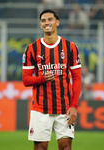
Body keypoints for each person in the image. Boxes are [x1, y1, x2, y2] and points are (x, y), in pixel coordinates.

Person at [22, 9, 81, 150]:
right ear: (40, 25)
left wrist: (74, 105)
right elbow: (25, 80)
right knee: (40, 148)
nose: (46, 23)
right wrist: (42, 78)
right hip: (40, 108)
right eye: (43, 20)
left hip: (64, 108)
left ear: (57, 22)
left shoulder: (71, 47)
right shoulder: (31, 49)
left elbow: (77, 78)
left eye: (50, 19)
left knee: (66, 146)